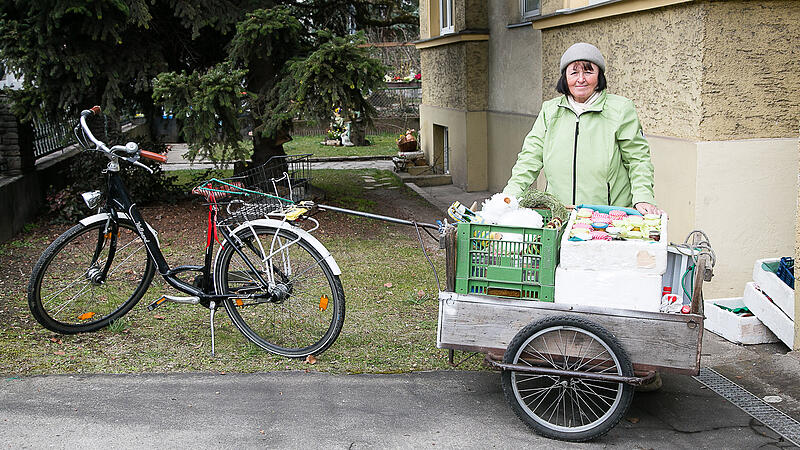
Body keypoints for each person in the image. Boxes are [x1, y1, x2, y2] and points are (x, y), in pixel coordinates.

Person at [503, 42, 662, 215]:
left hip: (606, 215)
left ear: (599, 76)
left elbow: (638, 159)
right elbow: (530, 157)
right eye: (574, 72)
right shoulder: (550, 111)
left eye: (588, 71)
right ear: (565, 78)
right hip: (560, 213)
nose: (581, 79)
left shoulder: (621, 109)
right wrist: (510, 195)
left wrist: (643, 196)